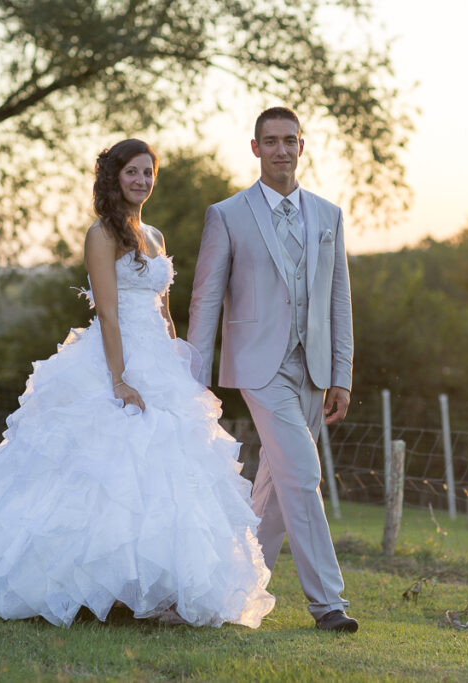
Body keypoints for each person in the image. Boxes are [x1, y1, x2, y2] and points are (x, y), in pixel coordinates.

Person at [0, 139, 274, 629]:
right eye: (132, 172)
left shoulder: (154, 235)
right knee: (106, 469)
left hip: (158, 359)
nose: (142, 181)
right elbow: (108, 313)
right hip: (116, 357)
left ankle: (159, 590)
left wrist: (180, 366)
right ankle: (88, 587)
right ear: (114, 177)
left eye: (148, 172)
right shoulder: (102, 234)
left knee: (169, 473)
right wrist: (120, 379)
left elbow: (164, 310)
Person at [188, 107, 357, 632]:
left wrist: (342, 374)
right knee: (303, 473)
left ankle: (233, 587)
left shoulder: (328, 215)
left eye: (289, 140)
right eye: (271, 141)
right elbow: (205, 299)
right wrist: (192, 378)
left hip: (315, 368)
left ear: (301, 147)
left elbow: (339, 299)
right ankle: (328, 604)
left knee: (278, 487)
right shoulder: (227, 215)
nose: (281, 150)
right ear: (255, 148)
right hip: (259, 366)